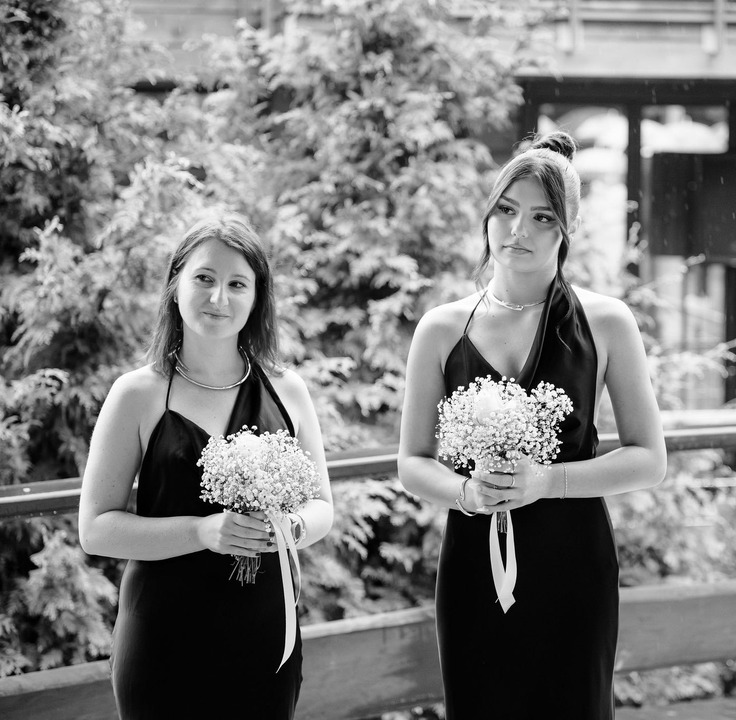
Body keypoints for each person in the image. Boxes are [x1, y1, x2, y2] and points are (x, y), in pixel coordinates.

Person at [397, 131, 667, 719]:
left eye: (542, 217)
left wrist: (550, 480)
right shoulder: (440, 330)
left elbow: (650, 459)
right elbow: (412, 463)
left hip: (575, 566)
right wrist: (467, 493)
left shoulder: (607, 322)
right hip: (472, 561)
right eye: (506, 210)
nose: (518, 231)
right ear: (488, 216)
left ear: (567, 229)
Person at [78, 212, 334, 720]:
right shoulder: (136, 393)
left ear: (258, 297)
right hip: (162, 637)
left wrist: (292, 526)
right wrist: (202, 531)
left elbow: (323, 506)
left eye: (238, 283)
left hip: (266, 636)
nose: (219, 298)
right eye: (204, 279)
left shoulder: (288, 389)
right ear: (175, 286)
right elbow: (96, 530)